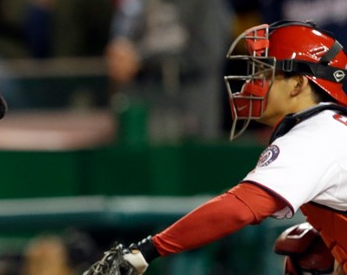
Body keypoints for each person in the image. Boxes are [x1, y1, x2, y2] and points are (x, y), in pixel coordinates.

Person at [83, 20, 347, 274]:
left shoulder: (316, 134)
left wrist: (148, 250)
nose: (250, 83)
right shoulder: (330, 128)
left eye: (265, 72)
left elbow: (239, 208)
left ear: (299, 83)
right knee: (310, 251)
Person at [105, 0, 232, 142]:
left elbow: (207, 54)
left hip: (193, 106)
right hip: (155, 104)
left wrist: (144, 58)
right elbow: (127, 42)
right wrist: (123, 51)